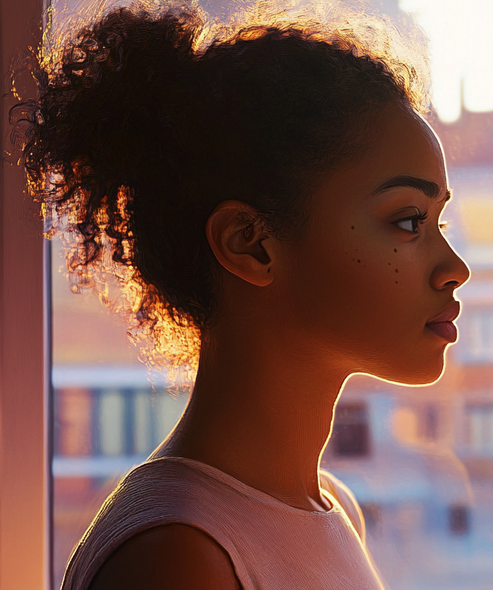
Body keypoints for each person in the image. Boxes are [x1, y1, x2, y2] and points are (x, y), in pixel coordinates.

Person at [14, 3, 469, 589]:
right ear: (251, 245)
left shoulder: (330, 506)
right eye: (408, 222)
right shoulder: (178, 559)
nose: (454, 269)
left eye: (440, 224)